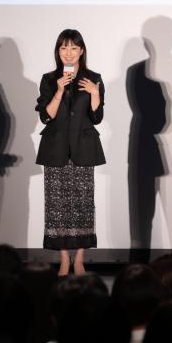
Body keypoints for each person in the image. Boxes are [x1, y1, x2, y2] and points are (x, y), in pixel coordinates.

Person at [35, 29, 105, 276]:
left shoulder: (93, 78)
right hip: (55, 150)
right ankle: (64, 259)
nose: (68, 52)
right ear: (58, 51)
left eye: (74, 48)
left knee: (83, 205)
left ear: (81, 51)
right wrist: (58, 91)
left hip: (83, 149)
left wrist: (95, 93)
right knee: (57, 206)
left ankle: (80, 259)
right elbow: (46, 116)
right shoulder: (49, 79)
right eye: (64, 47)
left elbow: (96, 117)